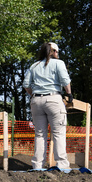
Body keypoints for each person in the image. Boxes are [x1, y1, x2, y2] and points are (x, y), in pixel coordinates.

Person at [23, 42, 73, 170]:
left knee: (40, 134)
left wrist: (33, 94)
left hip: (36, 101)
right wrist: (69, 93)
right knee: (58, 133)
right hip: (53, 99)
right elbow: (65, 81)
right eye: (57, 52)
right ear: (54, 51)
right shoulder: (58, 63)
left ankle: (37, 165)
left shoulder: (34, 66)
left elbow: (26, 85)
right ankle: (61, 164)